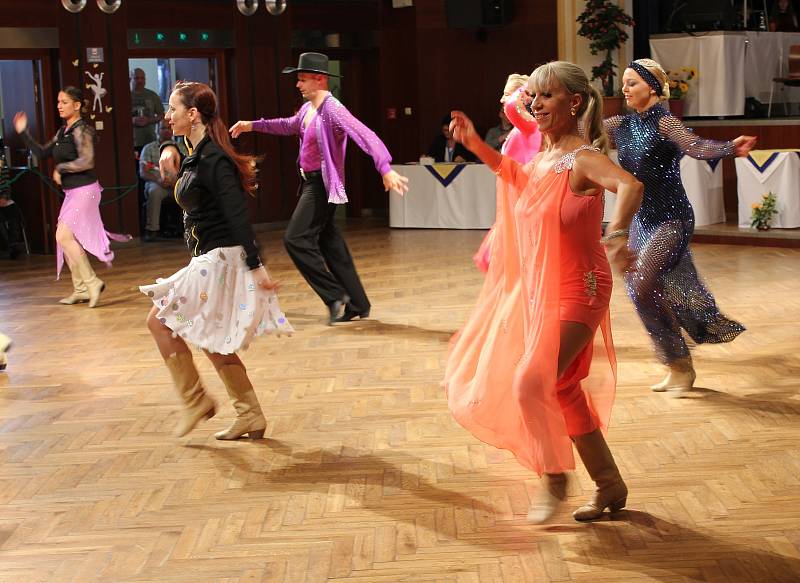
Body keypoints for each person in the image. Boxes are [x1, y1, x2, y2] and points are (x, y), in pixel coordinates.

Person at [444, 60, 644, 523]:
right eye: (531, 97)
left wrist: (616, 236)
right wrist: (476, 145)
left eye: (545, 96)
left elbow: (630, 185)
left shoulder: (584, 158)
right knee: (563, 386)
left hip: (581, 288)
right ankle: (610, 484)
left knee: (530, 381)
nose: (534, 105)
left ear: (574, 103)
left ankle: (554, 476)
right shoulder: (542, 160)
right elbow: (518, 178)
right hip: (542, 290)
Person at [141, 81, 293, 440]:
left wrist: (256, 266)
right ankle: (249, 414)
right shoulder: (199, 151)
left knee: (160, 321)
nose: (167, 115)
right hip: (210, 258)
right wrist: (167, 146)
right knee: (210, 339)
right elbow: (187, 160)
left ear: (192, 114)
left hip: (221, 260)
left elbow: (238, 214)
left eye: (173, 109)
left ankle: (195, 401)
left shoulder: (214, 159)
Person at [606, 59, 756, 395]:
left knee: (643, 281)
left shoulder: (665, 124)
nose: (625, 89)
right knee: (640, 289)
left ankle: (679, 363)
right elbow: (582, 129)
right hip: (640, 221)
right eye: (624, 84)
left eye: (632, 83)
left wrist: (731, 147)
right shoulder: (619, 124)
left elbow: (697, 146)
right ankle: (678, 365)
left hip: (672, 218)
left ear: (654, 87)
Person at [230, 52, 409, 324]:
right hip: (309, 183)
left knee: (295, 238)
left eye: (302, 80)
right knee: (331, 245)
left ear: (320, 79)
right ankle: (358, 303)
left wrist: (385, 167)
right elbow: (288, 125)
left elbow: (364, 134)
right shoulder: (308, 109)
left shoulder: (333, 109)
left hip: (322, 187)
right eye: (298, 80)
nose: (298, 85)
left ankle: (335, 295)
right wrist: (251, 125)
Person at [14, 87, 131, 307]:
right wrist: (23, 132)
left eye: (64, 102)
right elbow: (40, 152)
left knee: (63, 236)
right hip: (72, 193)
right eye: (58, 101)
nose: (59, 105)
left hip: (85, 191)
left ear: (77, 105)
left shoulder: (81, 130)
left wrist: (62, 168)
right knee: (68, 240)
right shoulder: (62, 132)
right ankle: (81, 290)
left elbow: (87, 161)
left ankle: (92, 282)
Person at [473, 73, 542, 272]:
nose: (502, 99)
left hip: (523, 201)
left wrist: (526, 90)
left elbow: (511, 106)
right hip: (511, 202)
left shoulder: (530, 128)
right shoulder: (519, 131)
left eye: (506, 94)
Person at [139, 120, 183, 241]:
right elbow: (143, 172)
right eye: (163, 128)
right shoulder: (148, 148)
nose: (166, 131)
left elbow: (187, 168)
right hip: (156, 182)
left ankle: (186, 229)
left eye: (169, 128)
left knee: (189, 189)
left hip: (176, 183)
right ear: (157, 130)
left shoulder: (180, 148)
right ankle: (152, 230)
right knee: (155, 192)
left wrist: (176, 180)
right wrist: (159, 180)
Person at [131, 68, 165, 156]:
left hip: (150, 140)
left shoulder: (152, 95)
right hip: (132, 142)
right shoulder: (125, 96)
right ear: (131, 79)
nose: (140, 80)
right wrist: (133, 120)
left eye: (142, 78)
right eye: (136, 78)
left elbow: (162, 115)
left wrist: (148, 120)